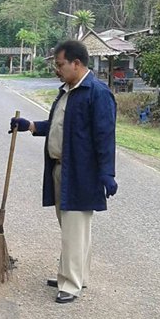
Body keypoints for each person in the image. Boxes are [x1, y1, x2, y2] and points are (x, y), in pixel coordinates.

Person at [10, 40, 117, 304]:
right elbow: (60, 126)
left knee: (75, 229)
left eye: (60, 65)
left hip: (82, 173)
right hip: (62, 169)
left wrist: (107, 173)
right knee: (72, 228)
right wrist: (31, 125)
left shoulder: (96, 93)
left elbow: (105, 136)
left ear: (76, 64)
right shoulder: (67, 91)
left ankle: (71, 284)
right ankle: (74, 275)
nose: (57, 70)